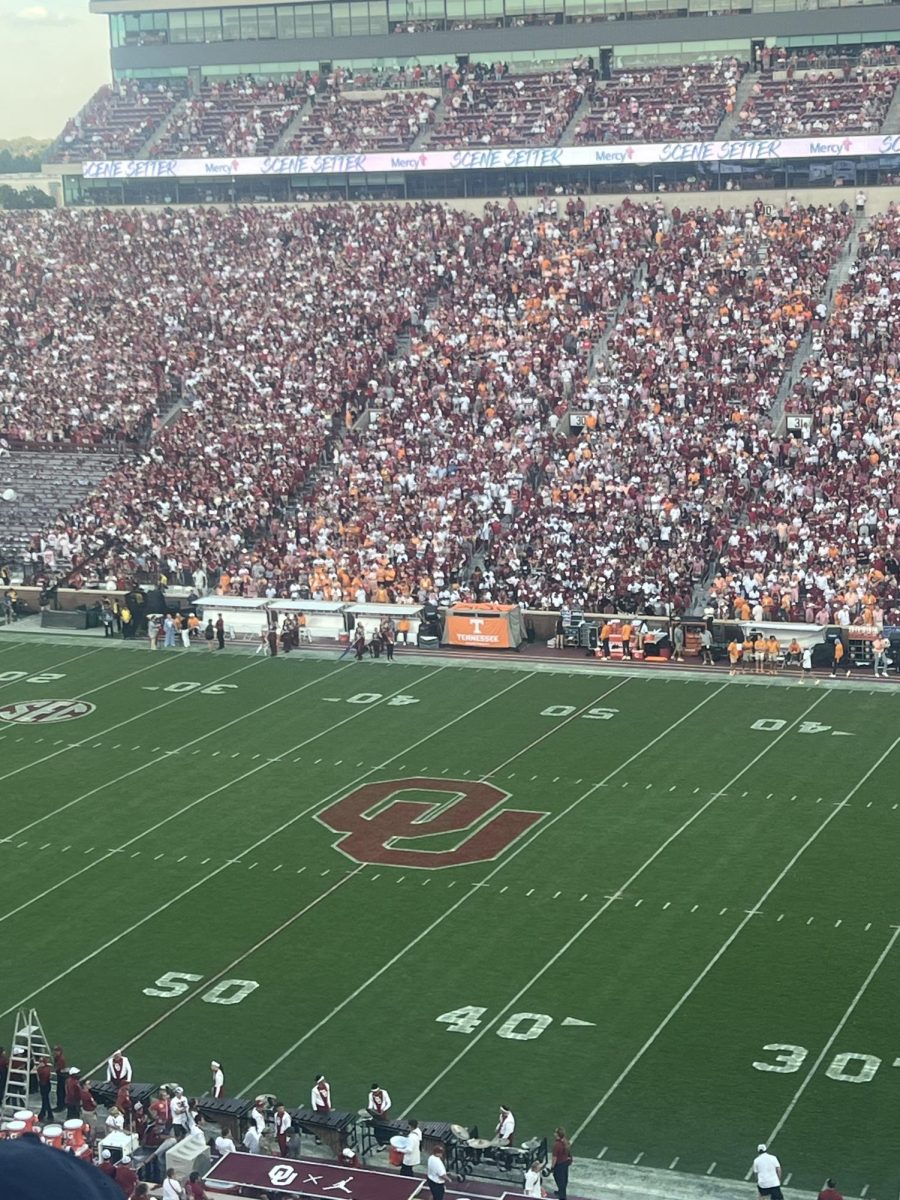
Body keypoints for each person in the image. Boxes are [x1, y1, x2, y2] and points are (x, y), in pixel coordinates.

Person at [550, 1127, 571, 1200]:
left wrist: (552, 1167)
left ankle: (562, 1197)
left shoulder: (557, 1145)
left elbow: (554, 1157)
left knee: (559, 1181)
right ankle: (561, 1192)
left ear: (557, 1134)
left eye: (555, 1132)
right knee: (564, 1180)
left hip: (559, 1165)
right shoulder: (565, 1142)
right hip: (565, 1163)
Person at [36, 1055, 54, 1122]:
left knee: (45, 1100)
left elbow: (34, 1071)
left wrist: (37, 1067)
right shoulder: (47, 1068)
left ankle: (47, 1115)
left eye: (41, 1062)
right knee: (45, 1100)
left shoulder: (41, 1069)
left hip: (44, 1086)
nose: (40, 1063)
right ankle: (45, 1114)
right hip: (47, 1085)